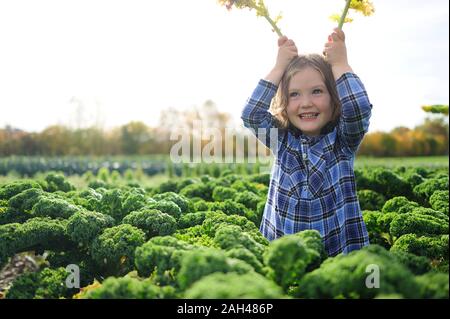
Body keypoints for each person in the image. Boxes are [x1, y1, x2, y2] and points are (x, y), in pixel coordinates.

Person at [241, 27, 372, 256]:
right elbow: (251, 114)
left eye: (317, 91)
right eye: (294, 94)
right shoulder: (281, 140)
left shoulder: (343, 142)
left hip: (337, 256)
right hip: (284, 257)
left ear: (335, 97)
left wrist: (340, 64)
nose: (306, 103)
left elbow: (358, 107)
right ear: (284, 101)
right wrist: (279, 67)